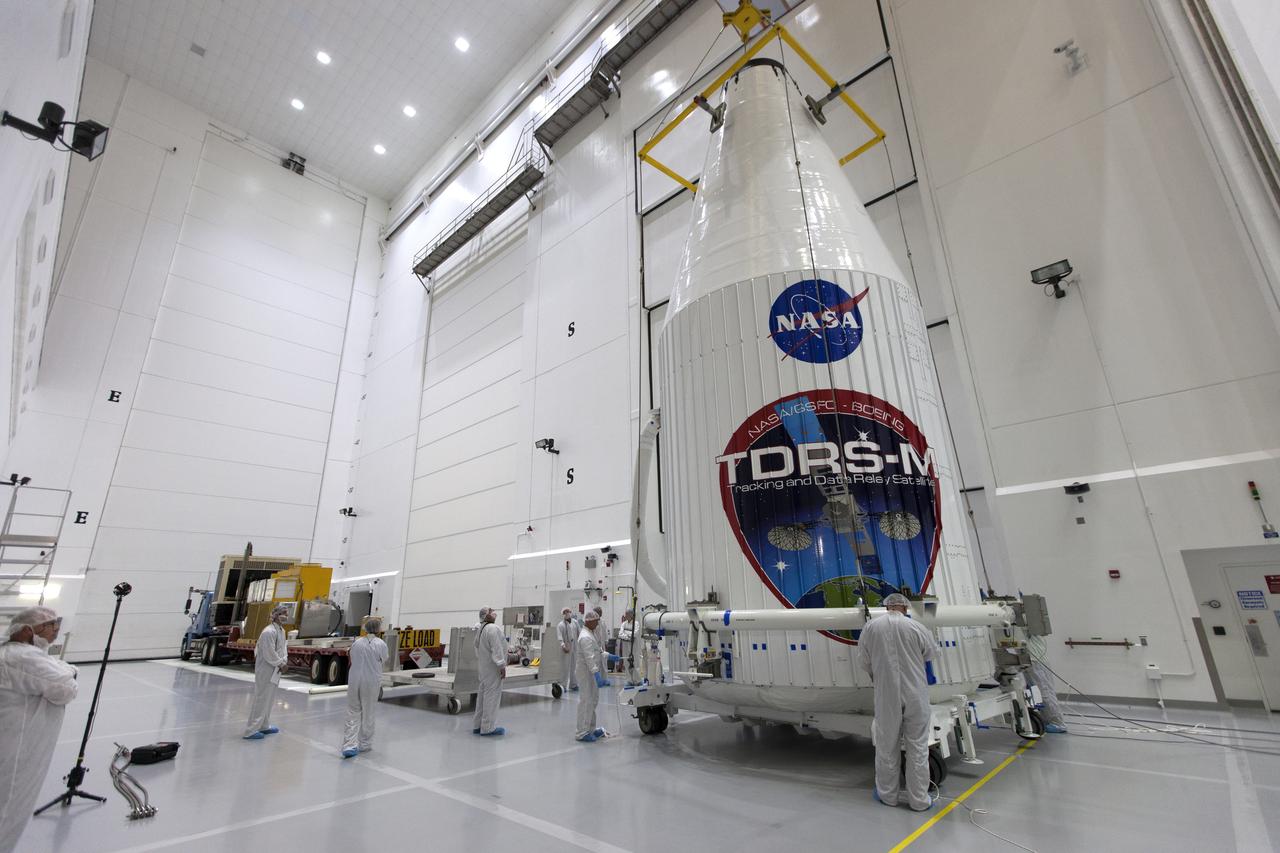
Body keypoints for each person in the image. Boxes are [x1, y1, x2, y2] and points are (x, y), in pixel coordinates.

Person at [0, 606, 77, 853]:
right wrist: (71, 671)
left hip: (12, 739)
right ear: (26, 630)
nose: (55, 630)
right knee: (10, 807)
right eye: (50, 625)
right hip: (17, 748)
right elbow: (64, 688)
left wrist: (65, 670)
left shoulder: (15, 653)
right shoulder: (23, 657)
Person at [857, 593, 937, 812]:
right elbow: (930, 653)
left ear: (886, 607)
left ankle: (888, 795)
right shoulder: (917, 628)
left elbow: (864, 660)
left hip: (886, 694)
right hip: (915, 694)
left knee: (886, 746)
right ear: (905, 607)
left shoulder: (871, 628)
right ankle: (919, 800)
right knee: (918, 747)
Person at [341, 617, 389, 758]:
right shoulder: (381, 644)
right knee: (368, 711)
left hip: (355, 680)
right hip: (371, 681)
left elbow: (352, 658)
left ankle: (349, 745)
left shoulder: (357, 643)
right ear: (378, 628)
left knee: (353, 711)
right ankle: (364, 744)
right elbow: (384, 659)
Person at [243, 604, 289, 740]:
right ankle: (251, 730)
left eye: (286, 613)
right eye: (282, 613)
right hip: (266, 669)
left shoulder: (281, 631)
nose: (285, 616)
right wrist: (281, 663)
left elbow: (283, 648)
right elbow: (269, 653)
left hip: (276, 669)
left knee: (269, 698)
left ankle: (264, 725)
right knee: (262, 698)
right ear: (275, 615)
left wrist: (284, 662)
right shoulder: (268, 632)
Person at [574, 610, 619, 742]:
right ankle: (581, 733)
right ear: (589, 621)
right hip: (586, 673)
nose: (598, 623)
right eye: (596, 621)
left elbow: (597, 651)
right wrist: (597, 674)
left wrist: (608, 655)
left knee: (593, 700)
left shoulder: (591, 634)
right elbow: (589, 658)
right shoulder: (585, 637)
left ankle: (590, 729)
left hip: (591, 673)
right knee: (586, 701)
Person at [473, 607, 506, 736]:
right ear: (485, 616)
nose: (494, 613)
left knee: (482, 696)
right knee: (492, 697)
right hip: (493, 668)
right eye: (490, 611)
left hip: (484, 667)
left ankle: (478, 725)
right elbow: (497, 648)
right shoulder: (492, 628)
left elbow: (476, 646)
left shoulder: (481, 628)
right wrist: (501, 665)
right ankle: (488, 727)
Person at [555, 608, 579, 691]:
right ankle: (563, 685)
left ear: (570, 612)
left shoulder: (575, 623)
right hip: (566, 648)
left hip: (575, 647)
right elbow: (559, 636)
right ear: (563, 614)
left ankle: (573, 684)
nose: (567, 614)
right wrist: (563, 645)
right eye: (565, 613)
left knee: (574, 666)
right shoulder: (560, 625)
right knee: (565, 667)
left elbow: (579, 633)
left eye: (568, 612)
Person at [616, 609, 635, 674]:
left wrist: (626, 634)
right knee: (623, 657)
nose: (625, 616)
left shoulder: (636, 624)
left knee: (633, 661)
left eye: (626, 615)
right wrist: (628, 637)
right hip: (624, 644)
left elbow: (634, 634)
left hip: (632, 645)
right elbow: (620, 634)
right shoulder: (623, 624)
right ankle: (621, 668)